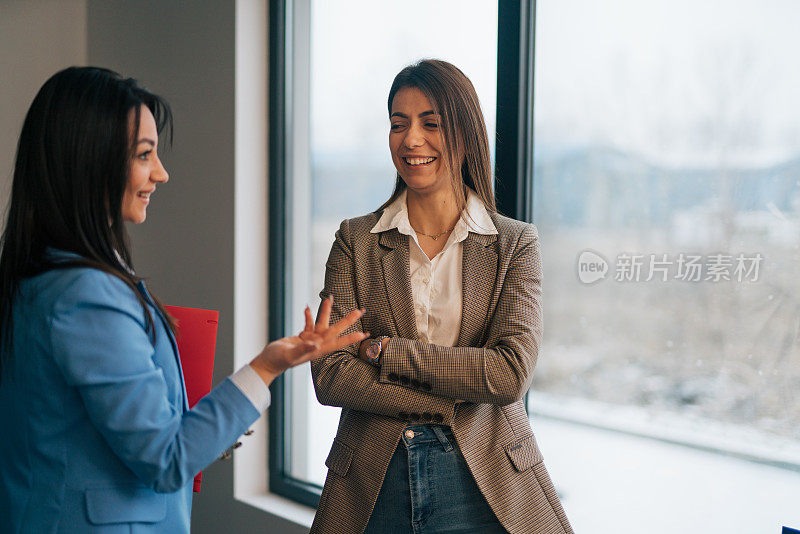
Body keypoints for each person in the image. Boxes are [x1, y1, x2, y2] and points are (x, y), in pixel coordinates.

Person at [0, 66, 366, 533]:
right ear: (89, 161)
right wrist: (268, 365)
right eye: (144, 155)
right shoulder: (87, 294)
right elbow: (165, 458)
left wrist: (196, 424)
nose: (161, 173)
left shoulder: (42, 273)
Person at [309, 59, 574, 534]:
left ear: (466, 133)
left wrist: (385, 351)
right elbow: (331, 374)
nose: (411, 140)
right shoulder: (356, 240)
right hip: (374, 477)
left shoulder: (514, 244)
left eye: (431, 123)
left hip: (485, 477)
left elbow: (509, 373)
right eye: (398, 124)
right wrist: (442, 401)